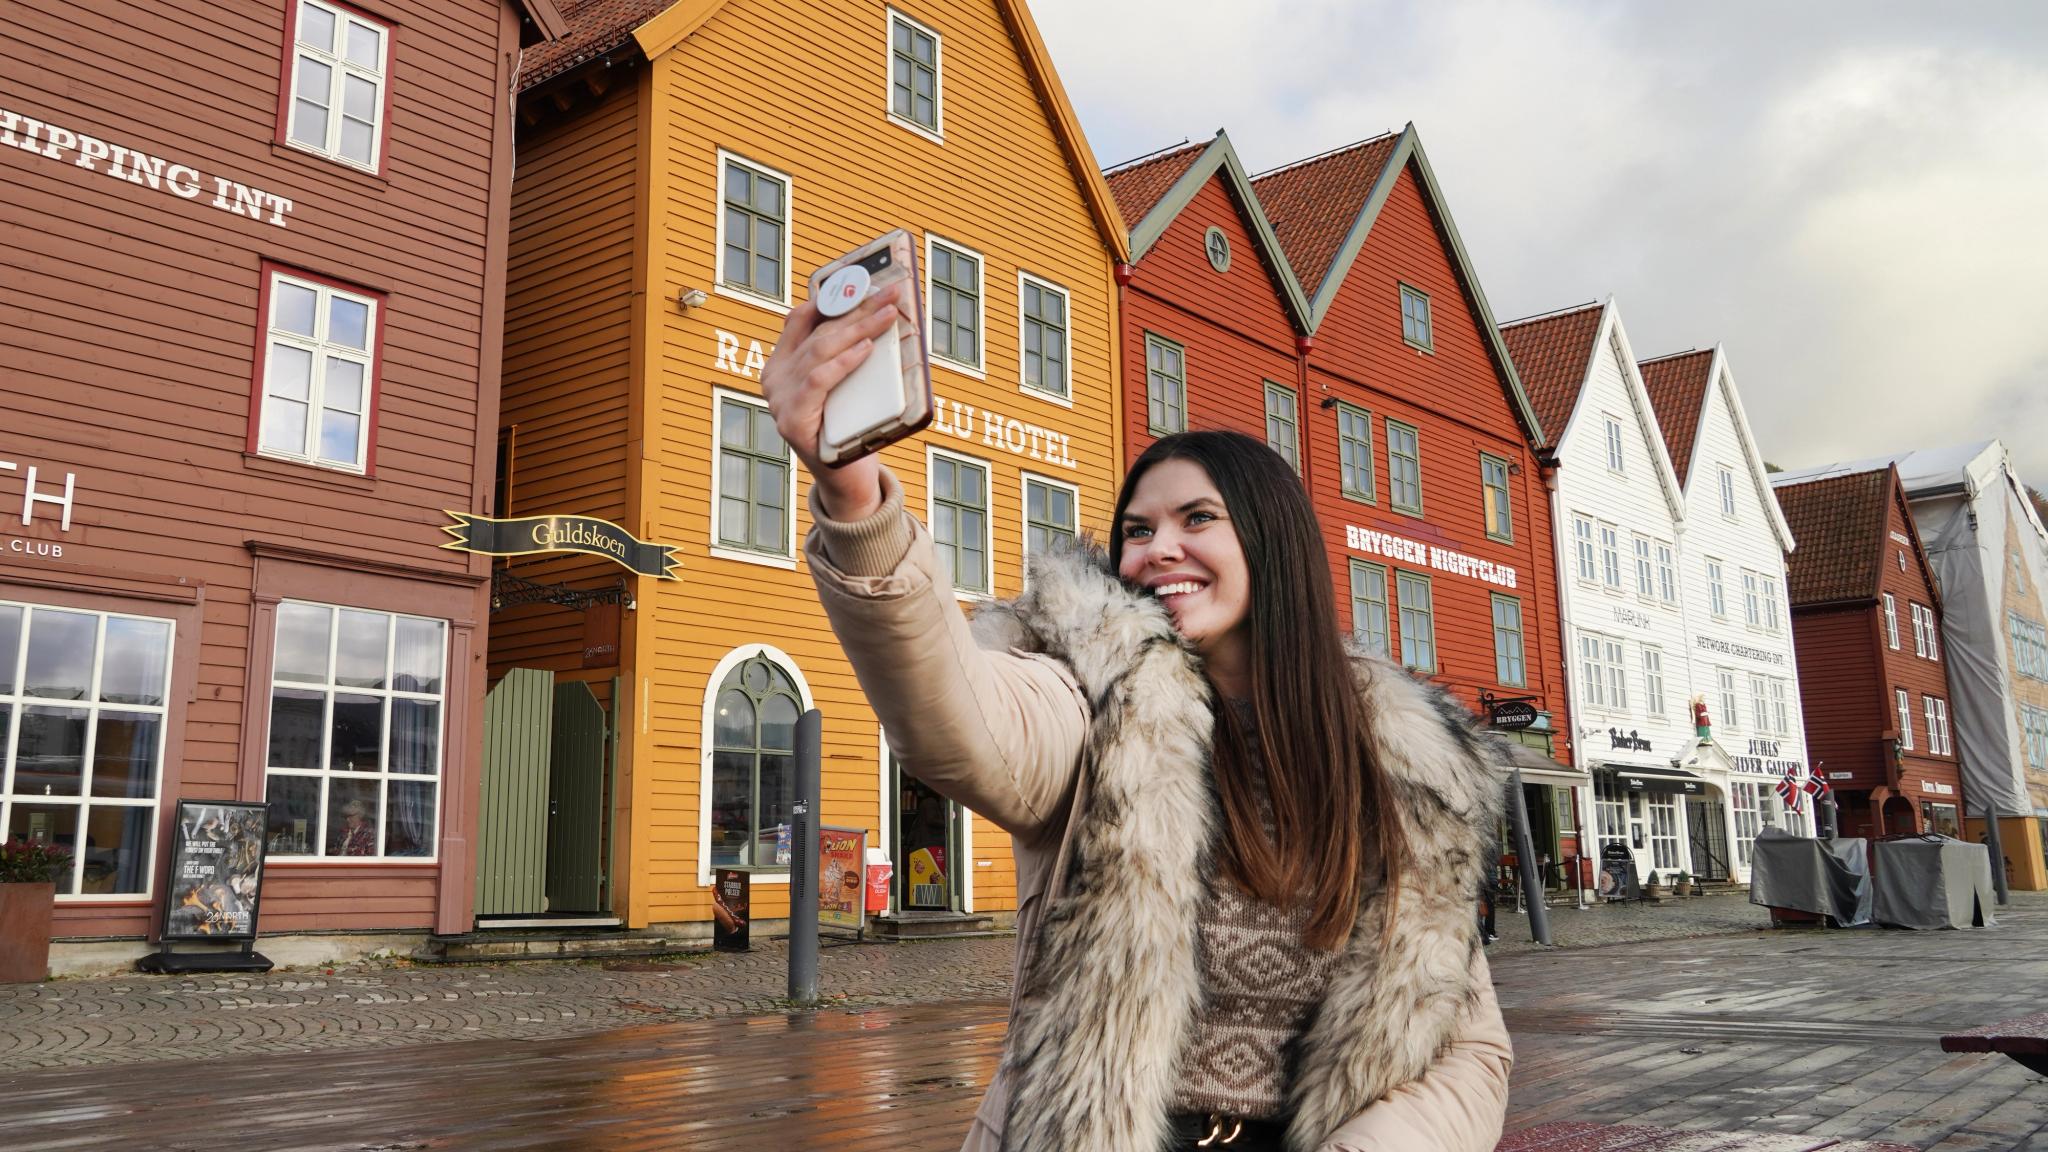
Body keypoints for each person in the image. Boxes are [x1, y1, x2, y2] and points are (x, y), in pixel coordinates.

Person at [763, 283, 1515, 1152]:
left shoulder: (1403, 761)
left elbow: (1469, 1050)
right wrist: (857, 500)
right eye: (1136, 528)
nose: (1158, 548)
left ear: (1271, 543)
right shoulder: (1092, 696)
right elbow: (960, 718)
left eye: (1198, 519)